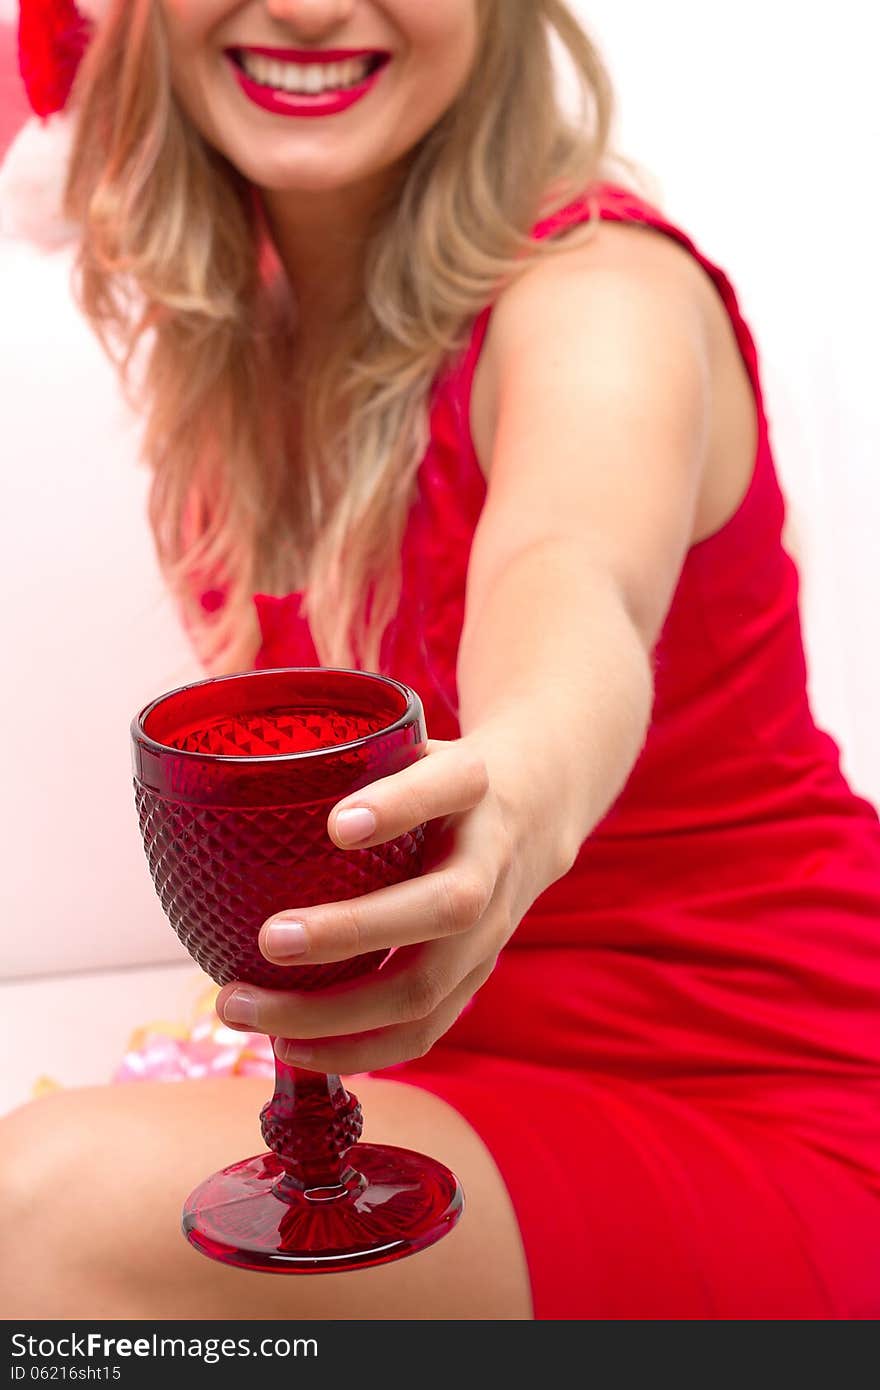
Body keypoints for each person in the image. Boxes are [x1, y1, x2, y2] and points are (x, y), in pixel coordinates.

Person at [2, 0, 879, 1321]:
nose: (304, 6)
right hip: (430, 1103)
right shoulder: (242, 347)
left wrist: (518, 785)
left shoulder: (602, 299)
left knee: (44, 1212)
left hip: (773, 1108)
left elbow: (567, 578)